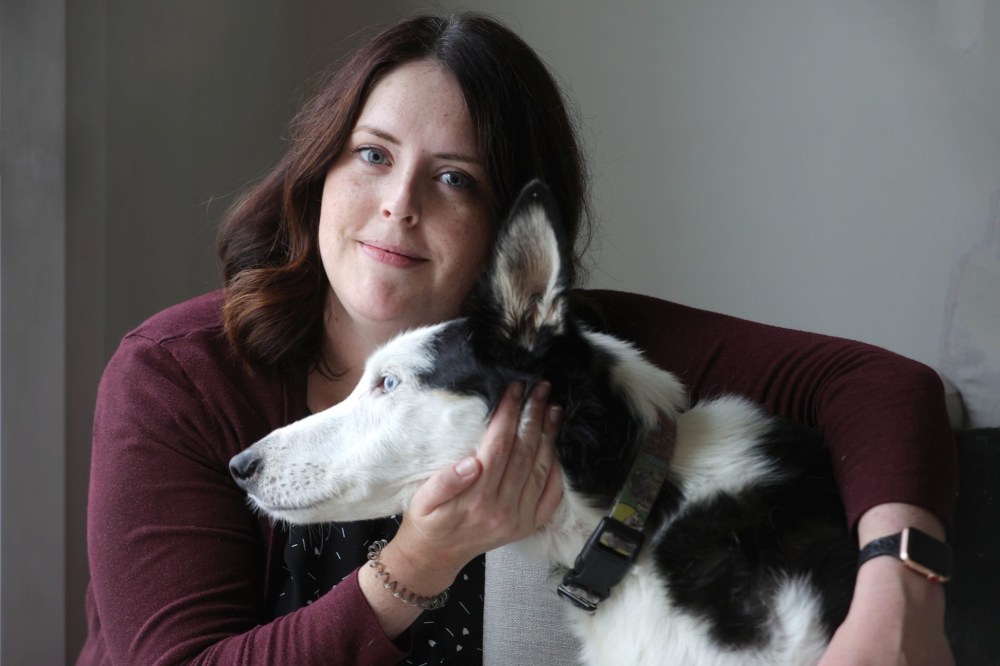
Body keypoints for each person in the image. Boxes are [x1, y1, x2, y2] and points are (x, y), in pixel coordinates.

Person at [78, 12, 958, 666]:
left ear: (513, 240)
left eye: (454, 178)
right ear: (320, 171)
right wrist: (419, 561)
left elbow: (880, 385)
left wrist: (896, 595)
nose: (399, 204)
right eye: (372, 154)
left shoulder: (562, 357)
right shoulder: (177, 376)